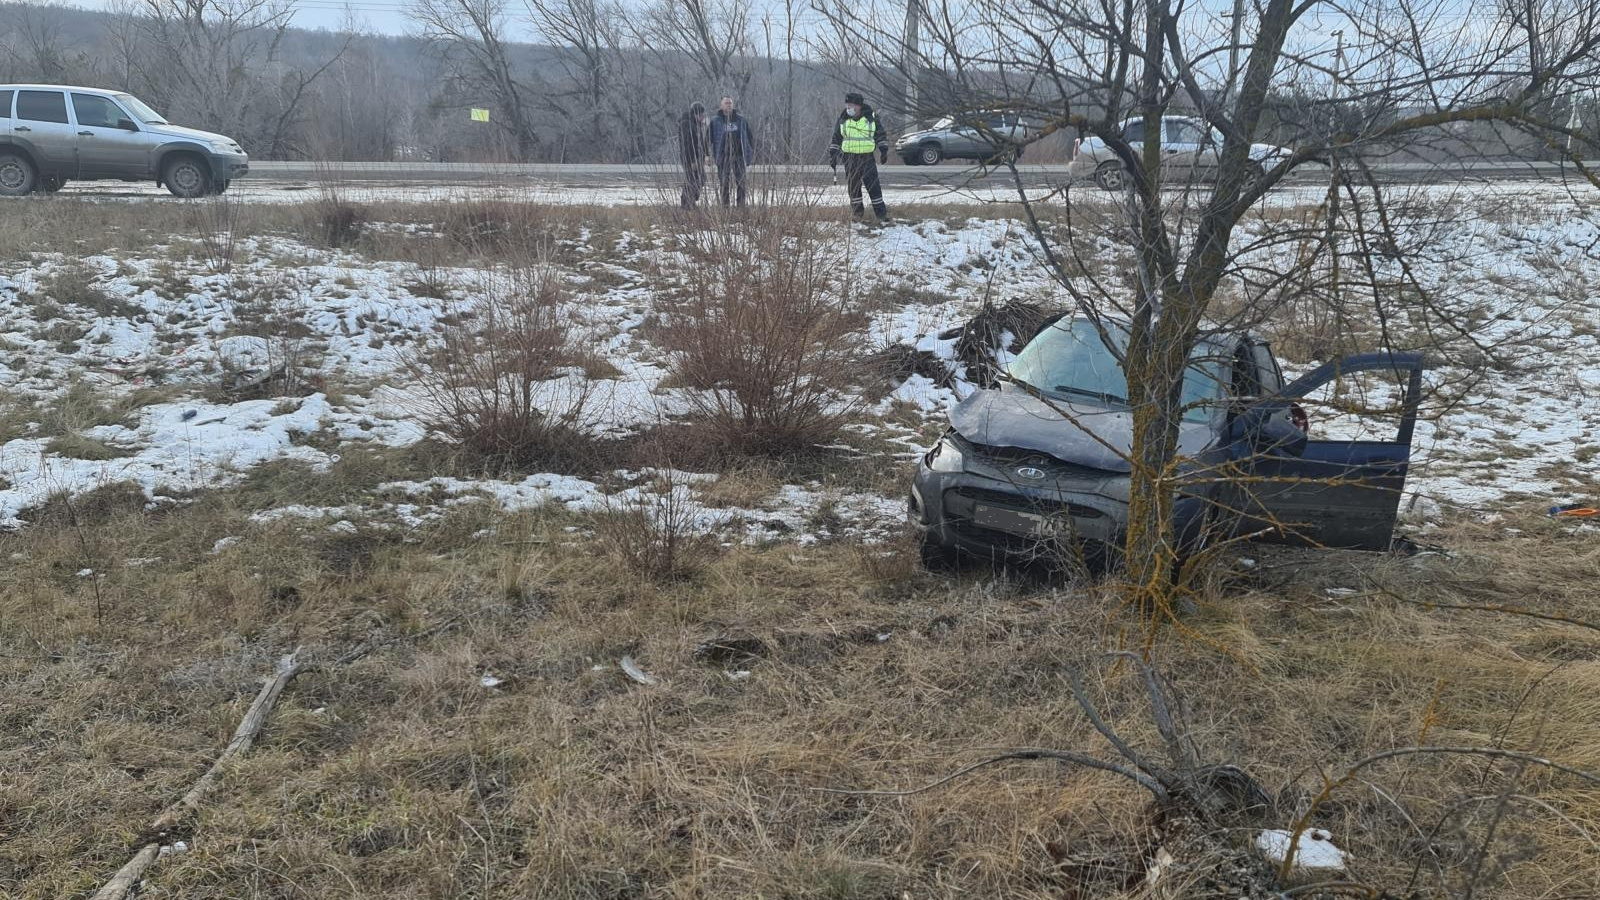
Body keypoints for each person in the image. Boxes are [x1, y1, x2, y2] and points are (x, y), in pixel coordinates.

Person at [829, 91, 890, 222]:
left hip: (866, 157)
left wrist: (884, 150)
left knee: (873, 187)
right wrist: (833, 155)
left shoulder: (871, 118)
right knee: (853, 188)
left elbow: (880, 134)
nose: (848, 108)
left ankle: (882, 215)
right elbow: (836, 138)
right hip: (849, 158)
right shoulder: (843, 118)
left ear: (859, 106)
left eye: (851, 105)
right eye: (847, 105)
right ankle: (857, 214)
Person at [708, 95, 756, 207]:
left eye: (730, 103)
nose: (728, 105)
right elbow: (707, 139)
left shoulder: (741, 120)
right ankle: (725, 206)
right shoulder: (715, 121)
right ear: (721, 105)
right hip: (723, 156)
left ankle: (741, 206)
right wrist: (706, 154)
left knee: (741, 182)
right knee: (724, 182)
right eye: (726, 103)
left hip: (739, 155)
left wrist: (750, 152)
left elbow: (750, 137)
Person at [678, 101, 709, 209]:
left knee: (696, 179)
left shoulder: (695, 125)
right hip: (690, 159)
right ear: (696, 114)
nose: (703, 118)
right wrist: (692, 161)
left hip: (696, 158)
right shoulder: (688, 126)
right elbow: (688, 145)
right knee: (694, 179)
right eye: (702, 115)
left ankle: (688, 202)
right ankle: (687, 203)